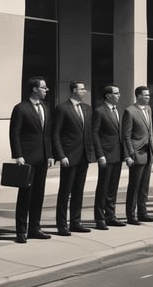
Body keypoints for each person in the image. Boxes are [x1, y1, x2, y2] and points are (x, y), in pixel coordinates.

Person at [9, 76, 54, 243]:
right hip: (27, 158)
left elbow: (48, 134)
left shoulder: (46, 108)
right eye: (43, 87)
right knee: (25, 195)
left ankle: (35, 228)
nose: (46, 90)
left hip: (43, 157)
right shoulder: (21, 108)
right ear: (35, 89)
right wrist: (18, 155)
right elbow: (14, 133)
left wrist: (50, 154)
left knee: (39, 194)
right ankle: (21, 231)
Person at [54, 81, 95, 236]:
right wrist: (61, 155)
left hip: (84, 156)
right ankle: (62, 224)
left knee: (79, 191)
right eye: (82, 89)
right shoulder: (62, 109)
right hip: (69, 157)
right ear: (73, 91)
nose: (85, 91)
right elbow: (56, 134)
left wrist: (91, 153)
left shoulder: (87, 109)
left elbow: (89, 133)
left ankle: (76, 222)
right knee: (65, 191)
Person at [123, 86, 153, 225]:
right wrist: (129, 154)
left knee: (145, 185)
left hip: (148, 152)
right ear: (138, 96)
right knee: (134, 186)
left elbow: (151, 131)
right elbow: (126, 135)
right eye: (145, 95)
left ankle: (143, 212)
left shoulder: (149, 109)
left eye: (149, 95)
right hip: (136, 153)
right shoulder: (130, 111)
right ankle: (131, 215)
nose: (148, 97)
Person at [92, 85, 126, 230]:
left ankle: (110, 216)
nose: (119, 95)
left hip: (117, 154)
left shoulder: (117, 110)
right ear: (108, 96)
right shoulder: (99, 111)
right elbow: (94, 134)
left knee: (113, 187)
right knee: (103, 187)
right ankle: (100, 218)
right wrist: (100, 155)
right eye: (116, 93)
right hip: (106, 155)